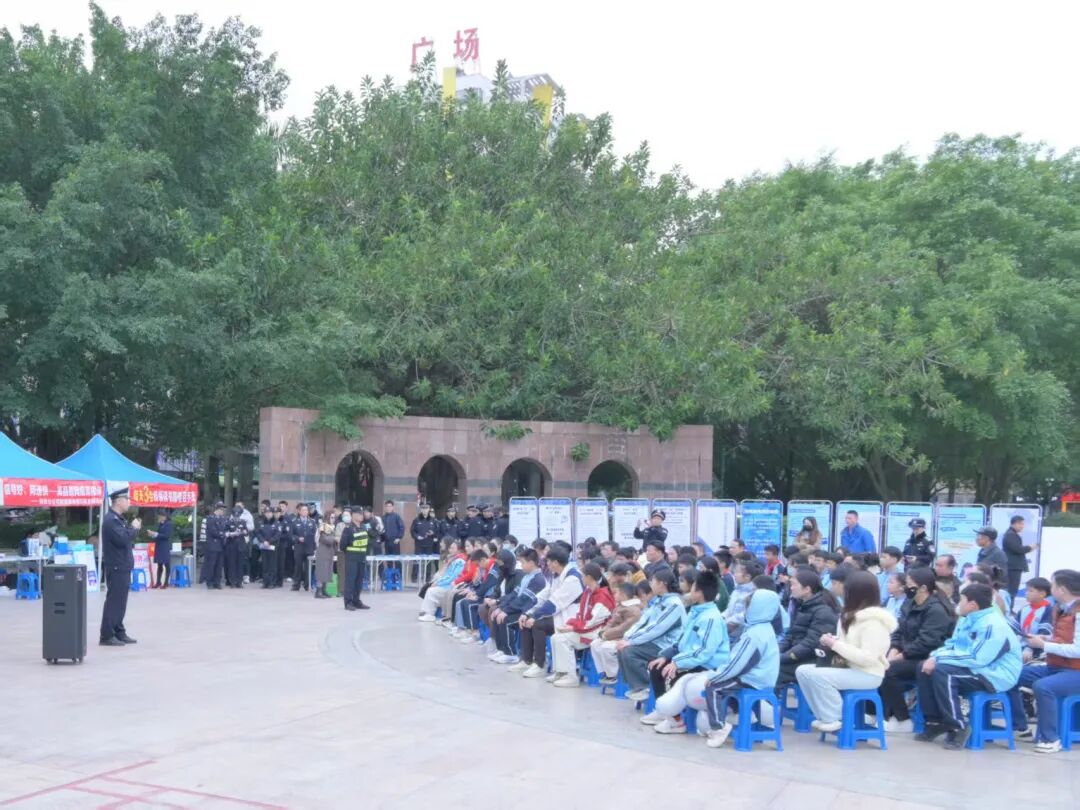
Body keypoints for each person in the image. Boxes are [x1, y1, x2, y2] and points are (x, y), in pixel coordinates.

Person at [915, 582, 1022, 750]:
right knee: (924, 667)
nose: (958, 604)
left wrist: (939, 659)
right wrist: (935, 656)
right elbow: (953, 645)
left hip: (996, 674)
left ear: (972, 604)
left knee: (944, 672)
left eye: (961, 600)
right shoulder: (968, 619)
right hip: (975, 668)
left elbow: (978, 658)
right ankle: (935, 722)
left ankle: (958, 726)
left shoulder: (992, 625)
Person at [796, 571, 897, 734]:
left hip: (868, 674)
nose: (843, 593)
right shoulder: (849, 616)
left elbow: (868, 658)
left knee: (817, 676)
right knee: (802, 671)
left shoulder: (874, 622)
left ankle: (834, 717)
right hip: (848, 668)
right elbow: (847, 645)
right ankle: (824, 715)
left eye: (847, 590)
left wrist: (836, 645)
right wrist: (832, 641)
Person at [647, 571, 730, 733]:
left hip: (707, 665)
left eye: (692, 588)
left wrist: (677, 663)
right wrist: (667, 656)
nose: (689, 591)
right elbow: (682, 641)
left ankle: (676, 720)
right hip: (692, 659)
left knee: (670, 673)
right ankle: (668, 715)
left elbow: (703, 651)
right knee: (656, 666)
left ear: (699, 593)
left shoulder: (711, 618)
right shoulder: (696, 611)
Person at [878, 566, 955, 731]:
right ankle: (876, 713)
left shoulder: (936, 610)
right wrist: (893, 649)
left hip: (926, 658)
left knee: (888, 671)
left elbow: (927, 642)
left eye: (909, 584)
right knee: (877, 664)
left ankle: (902, 719)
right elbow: (898, 630)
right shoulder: (909, 603)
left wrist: (901, 656)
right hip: (907, 654)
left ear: (923, 588)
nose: (906, 587)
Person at [702, 589, 782, 748]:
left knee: (714, 687)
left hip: (753, 679)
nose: (746, 610)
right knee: (725, 683)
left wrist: (715, 676)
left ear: (757, 608)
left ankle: (719, 728)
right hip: (762, 676)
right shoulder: (764, 627)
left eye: (749, 607)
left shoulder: (755, 635)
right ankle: (746, 715)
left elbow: (737, 664)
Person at [1013, 569, 1080, 753]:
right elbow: (1064, 639)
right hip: (1056, 666)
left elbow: (1078, 650)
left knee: (1044, 686)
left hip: (1075, 671)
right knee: (1011, 675)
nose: (1051, 589)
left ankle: (1051, 739)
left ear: (1062, 589)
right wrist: (1045, 638)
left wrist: (1044, 645)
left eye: (1053, 585)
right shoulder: (1061, 609)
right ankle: (1020, 727)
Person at [513, 547, 584, 678]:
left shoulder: (572, 578)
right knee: (525, 620)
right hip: (559, 615)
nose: (546, 564)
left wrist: (535, 616)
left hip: (571, 618)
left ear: (555, 562)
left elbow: (554, 603)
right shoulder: (556, 575)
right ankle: (526, 660)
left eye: (548, 562)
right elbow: (543, 596)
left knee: (537, 625)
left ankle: (539, 665)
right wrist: (527, 613)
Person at [616, 570, 686, 701]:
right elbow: (643, 622)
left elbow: (656, 628)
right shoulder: (658, 601)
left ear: (662, 584)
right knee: (622, 648)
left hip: (668, 646)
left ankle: (645, 687)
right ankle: (635, 686)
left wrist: (631, 642)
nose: (650, 584)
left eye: (653, 581)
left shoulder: (674, 604)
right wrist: (627, 637)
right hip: (655, 642)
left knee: (630, 652)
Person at [549, 562, 615, 686]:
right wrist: (570, 624)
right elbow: (581, 615)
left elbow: (592, 623)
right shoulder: (588, 591)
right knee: (555, 637)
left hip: (597, 632)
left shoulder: (603, 595)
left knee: (561, 639)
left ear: (589, 577)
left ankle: (571, 677)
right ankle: (561, 672)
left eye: (582, 576)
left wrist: (573, 628)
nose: (581, 578)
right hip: (586, 629)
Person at [778, 569, 840, 684]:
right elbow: (791, 635)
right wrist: (776, 652)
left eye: (794, 585)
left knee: (770, 671)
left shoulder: (823, 611)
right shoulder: (803, 605)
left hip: (812, 659)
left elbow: (810, 644)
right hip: (799, 655)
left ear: (807, 589)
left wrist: (783, 657)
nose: (791, 588)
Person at [488, 548, 546, 663]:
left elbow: (524, 600)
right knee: (496, 614)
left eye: (523, 562)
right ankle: (502, 649)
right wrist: (501, 607)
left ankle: (511, 653)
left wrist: (506, 611)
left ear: (531, 563)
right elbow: (514, 594)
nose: (521, 565)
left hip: (528, 612)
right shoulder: (527, 576)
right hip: (520, 609)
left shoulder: (538, 579)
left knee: (505, 619)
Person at [99, 489, 141, 647]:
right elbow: (123, 539)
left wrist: (132, 529)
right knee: (114, 601)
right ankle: (107, 634)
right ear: (118, 501)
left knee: (121, 602)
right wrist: (134, 528)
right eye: (126, 499)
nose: (129, 502)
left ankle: (118, 631)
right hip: (117, 566)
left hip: (122, 565)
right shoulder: (111, 521)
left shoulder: (118, 519)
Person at [592, 582, 644, 683]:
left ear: (623, 595)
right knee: (595, 644)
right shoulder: (621, 606)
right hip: (615, 636)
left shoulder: (634, 610)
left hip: (625, 638)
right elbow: (611, 622)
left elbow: (623, 628)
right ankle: (604, 671)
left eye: (616, 593)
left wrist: (606, 635)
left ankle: (613, 675)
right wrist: (603, 631)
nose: (614, 595)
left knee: (606, 647)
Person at [339, 509, 371, 611]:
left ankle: (356, 601)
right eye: (359, 514)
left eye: (362, 514)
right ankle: (348, 602)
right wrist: (350, 553)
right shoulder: (348, 529)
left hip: (361, 558)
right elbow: (342, 545)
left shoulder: (363, 527)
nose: (361, 516)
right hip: (352, 558)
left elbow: (367, 542)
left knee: (359, 581)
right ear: (353, 515)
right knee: (350, 580)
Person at [1017, 577, 1055, 662]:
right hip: (1020, 646)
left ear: (1042, 594)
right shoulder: (1024, 609)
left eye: (1030, 591)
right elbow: (1015, 628)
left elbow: (1044, 632)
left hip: (1037, 650)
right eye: (1026, 590)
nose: (1026, 593)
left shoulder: (1049, 610)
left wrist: (1029, 648)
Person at [1001, 515, 1038, 601]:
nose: (1022, 526)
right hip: (1013, 567)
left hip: (1013, 566)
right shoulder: (1011, 535)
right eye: (1020, 524)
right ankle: (1008, 607)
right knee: (1011, 590)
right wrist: (1030, 547)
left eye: (1023, 524)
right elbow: (1018, 549)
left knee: (1012, 590)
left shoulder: (1011, 534)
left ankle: (1009, 606)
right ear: (1013, 524)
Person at [722, 559, 760, 640]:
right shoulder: (736, 590)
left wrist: (728, 621)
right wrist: (721, 617)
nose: (734, 574)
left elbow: (745, 615)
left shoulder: (753, 594)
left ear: (747, 577)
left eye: (737, 572)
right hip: (728, 628)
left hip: (741, 632)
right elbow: (729, 609)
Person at [289, 504, 317, 592]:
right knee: (298, 566)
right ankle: (296, 585)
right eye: (303, 510)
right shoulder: (294, 522)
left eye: (306, 510)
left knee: (308, 567)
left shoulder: (312, 522)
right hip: (299, 547)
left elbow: (315, 535)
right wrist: (297, 539)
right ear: (299, 511)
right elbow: (291, 535)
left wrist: (315, 548)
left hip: (309, 547)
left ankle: (307, 584)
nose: (305, 512)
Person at [255, 505, 282, 588]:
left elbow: (278, 534)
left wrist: (270, 541)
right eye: (266, 513)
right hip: (264, 546)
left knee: (272, 565)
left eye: (270, 512)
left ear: (272, 513)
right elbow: (258, 533)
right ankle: (265, 582)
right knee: (265, 564)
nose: (268, 514)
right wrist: (263, 541)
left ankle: (272, 582)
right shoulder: (261, 522)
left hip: (273, 546)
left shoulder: (277, 523)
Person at [202, 502, 228, 590]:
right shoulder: (210, 518)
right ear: (218, 509)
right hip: (213, 545)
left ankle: (217, 582)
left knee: (219, 565)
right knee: (211, 564)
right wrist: (223, 534)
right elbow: (213, 531)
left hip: (221, 545)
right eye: (222, 510)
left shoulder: (223, 519)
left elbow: (225, 529)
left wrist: (224, 534)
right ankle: (209, 582)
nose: (223, 512)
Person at [223, 505, 249, 588]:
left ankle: (239, 582)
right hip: (231, 545)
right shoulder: (228, 522)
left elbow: (247, 532)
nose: (236, 517)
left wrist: (244, 532)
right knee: (232, 564)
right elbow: (225, 533)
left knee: (240, 564)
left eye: (238, 516)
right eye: (235, 516)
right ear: (233, 515)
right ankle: (232, 582)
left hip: (240, 545)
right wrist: (232, 534)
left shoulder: (243, 522)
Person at [314, 509, 338, 599]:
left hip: (330, 551)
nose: (333, 519)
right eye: (331, 517)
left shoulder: (332, 527)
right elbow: (323, 539)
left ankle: (324, 590)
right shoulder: (323, 526)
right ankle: (318, 591)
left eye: (334, 517)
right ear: (327, 517)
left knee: (328, 571)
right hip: (323, 550)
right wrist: (334, 539)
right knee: (322, 571)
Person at [147, 510, 173, 589]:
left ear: (164, 517)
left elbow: (166, 535)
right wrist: (153, 535)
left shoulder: (168, 524)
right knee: (159, 564)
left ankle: (166, 583)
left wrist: (156, 534)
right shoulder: (161, 524)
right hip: (159, 546)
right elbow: (158, 535)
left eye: (160, 516)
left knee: (166, 564)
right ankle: (158, 582)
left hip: (165, 547)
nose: (158, 517)